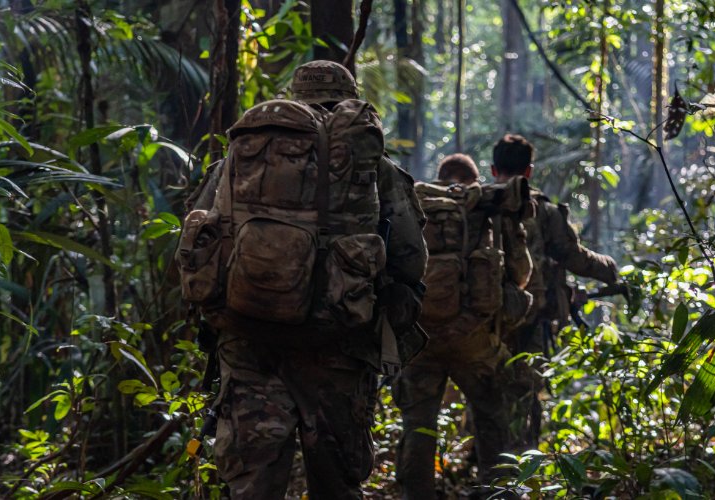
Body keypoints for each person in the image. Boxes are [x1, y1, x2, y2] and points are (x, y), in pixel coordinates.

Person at [177, 60, 428, 499]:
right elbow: (410, 259)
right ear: (348, 99)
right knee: (336, 483)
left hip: (249, 338)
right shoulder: (373, 168)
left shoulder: (240, 160)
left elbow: (201, 237)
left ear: (295, 99)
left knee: (252, 484)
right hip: (336, 346)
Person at [395, 153, 533, 499]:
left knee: (418, 424)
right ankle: (496, 492)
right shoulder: (486, 205)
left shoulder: (415, 204)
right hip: (475, 339)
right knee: (491, 418)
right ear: (475, 179)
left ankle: (417, 495)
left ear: (440, 176)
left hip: (419, 339)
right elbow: (520, 273)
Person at [491, 134, 618, 452]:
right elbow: (573, 257)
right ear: (529, 171)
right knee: (524, 391)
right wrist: (609, 268)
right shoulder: (542, 211)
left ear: (493, 170)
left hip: (482, 318)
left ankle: (484, 461)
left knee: (486, 391)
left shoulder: (478, 204)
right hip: (528, 320)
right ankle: (520, 463)